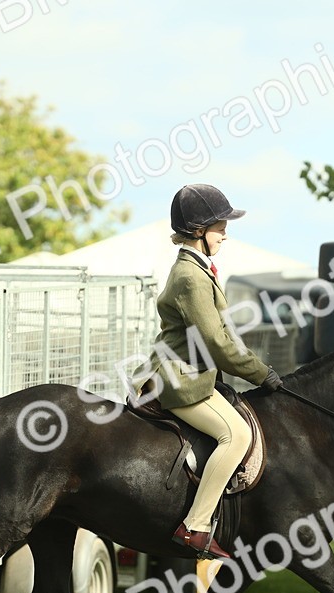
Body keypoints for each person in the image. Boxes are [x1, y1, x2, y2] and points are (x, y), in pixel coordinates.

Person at [142, 184, 284, 559]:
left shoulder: (197, 270)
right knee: (235, 436)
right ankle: (196, 526)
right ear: (198, 230)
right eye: (219, 225)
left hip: (194, 375)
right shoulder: (190, 276)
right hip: (181, 380)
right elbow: (217, 344)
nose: (225, 232)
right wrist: (261, 373)